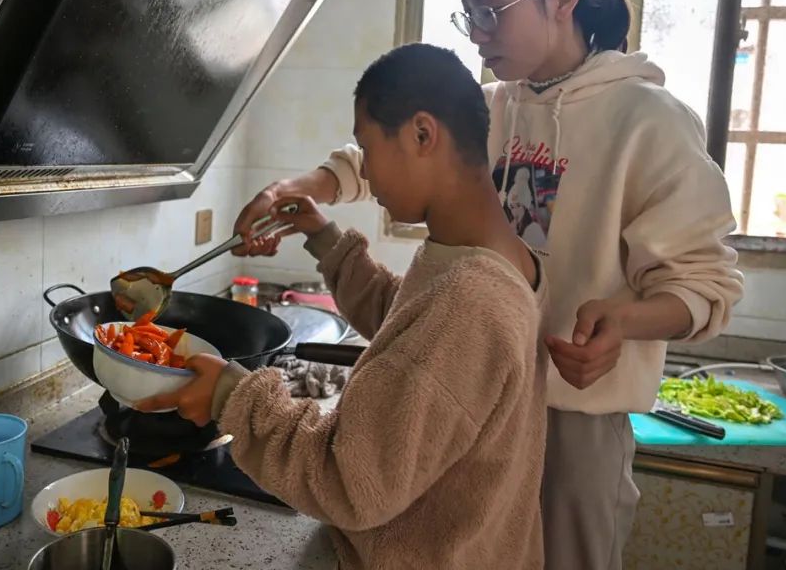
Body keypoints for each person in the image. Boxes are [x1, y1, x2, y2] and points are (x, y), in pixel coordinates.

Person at [231, 0, 744, 570]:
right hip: (480, 415)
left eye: (492, 7)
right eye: (467, 9)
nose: (476, 32)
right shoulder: (498, 106)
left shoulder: (648, 121)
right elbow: (379, 159)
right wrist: (302, 190)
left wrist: (627, 320)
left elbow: (708, 286)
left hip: (574, 418)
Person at [138, 43, 549, 570]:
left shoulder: (470, 298)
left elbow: (351, 482)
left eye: (368, 148)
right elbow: (408, 325)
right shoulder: (501, 258)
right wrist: (323, 237)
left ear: (423, 134)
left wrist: (230, 395)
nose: (368, 175)